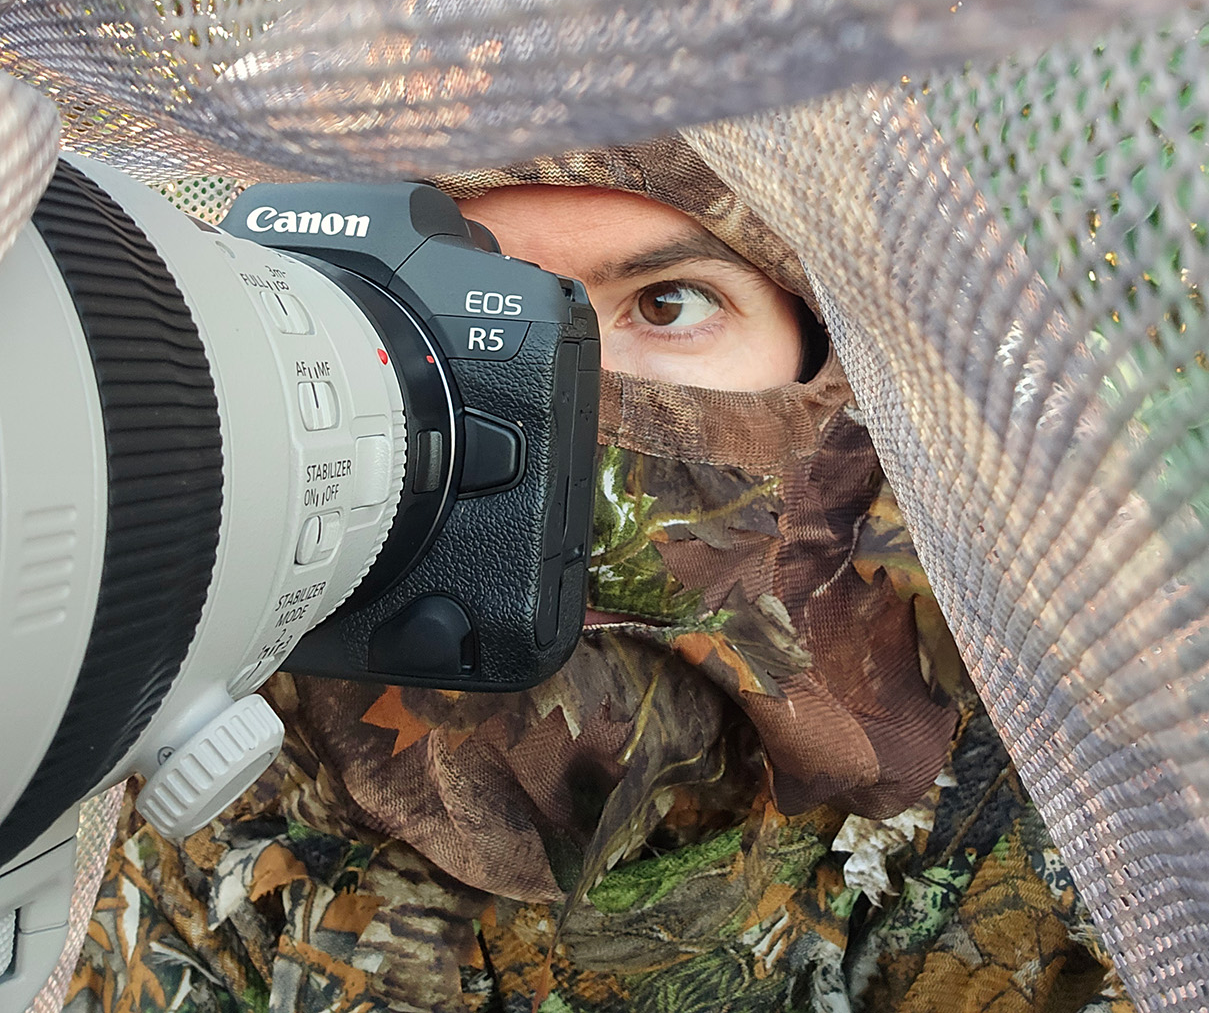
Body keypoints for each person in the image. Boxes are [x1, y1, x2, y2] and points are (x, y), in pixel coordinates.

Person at [67, 138, 1133, 1013]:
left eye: (667, 305)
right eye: (466, 311)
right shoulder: (198, 736)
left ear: (834, 364)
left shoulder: (1085, 820)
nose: (554, 417)